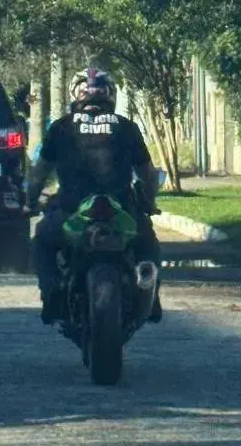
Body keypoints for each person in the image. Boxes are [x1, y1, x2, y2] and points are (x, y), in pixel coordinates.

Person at [24, 66, 163, 325]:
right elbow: (147, 174)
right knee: (146, 242)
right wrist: (149, 201)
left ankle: (51, 292)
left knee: (42, 239)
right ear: (110, 95)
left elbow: (39, 173)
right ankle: (151, 296)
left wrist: (30, 200)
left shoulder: (61, 127)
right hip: (120, 209)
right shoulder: (127, 127)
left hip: (73, 210)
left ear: (75, 94)